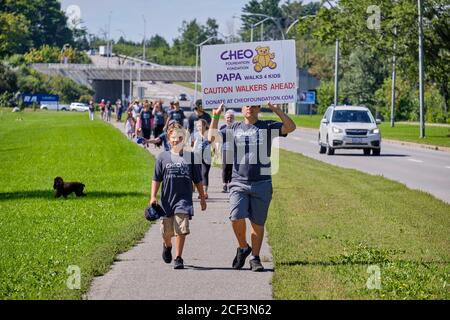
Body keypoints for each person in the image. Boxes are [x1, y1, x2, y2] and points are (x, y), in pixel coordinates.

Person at [208, 102, 296, 272]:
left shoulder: (267, 126)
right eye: (246, 106)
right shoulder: (233, 127)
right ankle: (243, 248)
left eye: (254, 106)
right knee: (235, 216)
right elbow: (211, 138)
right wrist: (215, 115)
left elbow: (291, 127)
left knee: (257, 223)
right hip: (238, 182)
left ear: (259, 109)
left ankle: (255, 258)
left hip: (262, 183)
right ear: (242, 109)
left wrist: (277, 110)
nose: (250, 108)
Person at [150, 124, 207, 269]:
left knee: (181, 228)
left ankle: (178, 257)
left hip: (184, 200)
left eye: (180, 138)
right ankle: (167, 245)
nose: (176, 140)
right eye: (173, 137)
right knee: (167, 232)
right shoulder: (163, 157)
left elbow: (198, 179)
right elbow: (156, 179)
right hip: (166, 201)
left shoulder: (191, 157)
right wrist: (153, 197)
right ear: (169, 139)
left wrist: (201, 197)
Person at [191, 119, 211, 199]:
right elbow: (191, 145)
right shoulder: (194, 135)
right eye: (198, 126)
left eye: (201, 126)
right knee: (197, 174)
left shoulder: (209, 135)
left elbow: (215, 144)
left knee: (205, 173)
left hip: (207, 157)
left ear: (205, 125)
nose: (199, 127)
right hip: (197, 156)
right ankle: (196, 188)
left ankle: (205, 192)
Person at [219, 109, 235, 193]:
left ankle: (230, 184)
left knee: (232, 168)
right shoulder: (222, 127)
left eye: (231, 117)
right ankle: (224, 184)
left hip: (234, 150)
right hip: (225, 149)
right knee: (225, 167)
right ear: (225, 118)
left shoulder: (236, 127)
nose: (229, 119)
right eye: (228, 117)